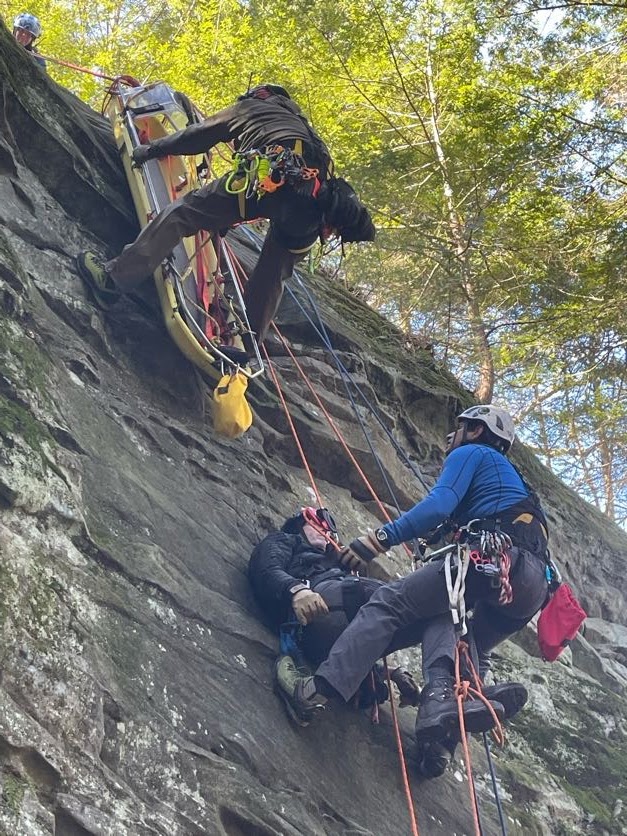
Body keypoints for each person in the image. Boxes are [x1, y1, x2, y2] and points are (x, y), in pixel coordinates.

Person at [276, 405, 548, 756]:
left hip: (492, 559)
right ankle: (438, 743)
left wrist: (377, 540)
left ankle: (315, 692)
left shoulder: (472, 452)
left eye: (459, 427)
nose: (451, 436)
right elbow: (452, 519)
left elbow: (438, 504)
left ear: (477, 431)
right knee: (456, 629)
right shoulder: (509, 482)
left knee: (390, 603)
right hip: (531, 588)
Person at [77, 84, 375, 348]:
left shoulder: (250, 107)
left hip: (271, 179)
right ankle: (249, 344)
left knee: (184, 212)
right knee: (273, 275)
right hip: (313, 211)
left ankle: (112, 280)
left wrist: (151, 150)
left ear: (260, 94)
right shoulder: (304, 132)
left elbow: (197, 138)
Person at [248, 507, 421, 721]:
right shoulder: (286, 541)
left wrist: (390, 673)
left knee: (427, 623)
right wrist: (297, 590)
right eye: (319, 524)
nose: (326, 530)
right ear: (300, 525)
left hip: (328, 633)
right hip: (316, 607)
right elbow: (266, 568)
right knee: (400, 598)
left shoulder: (333, 563)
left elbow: (356, 642)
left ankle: (437, 721)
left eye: (329, 528)